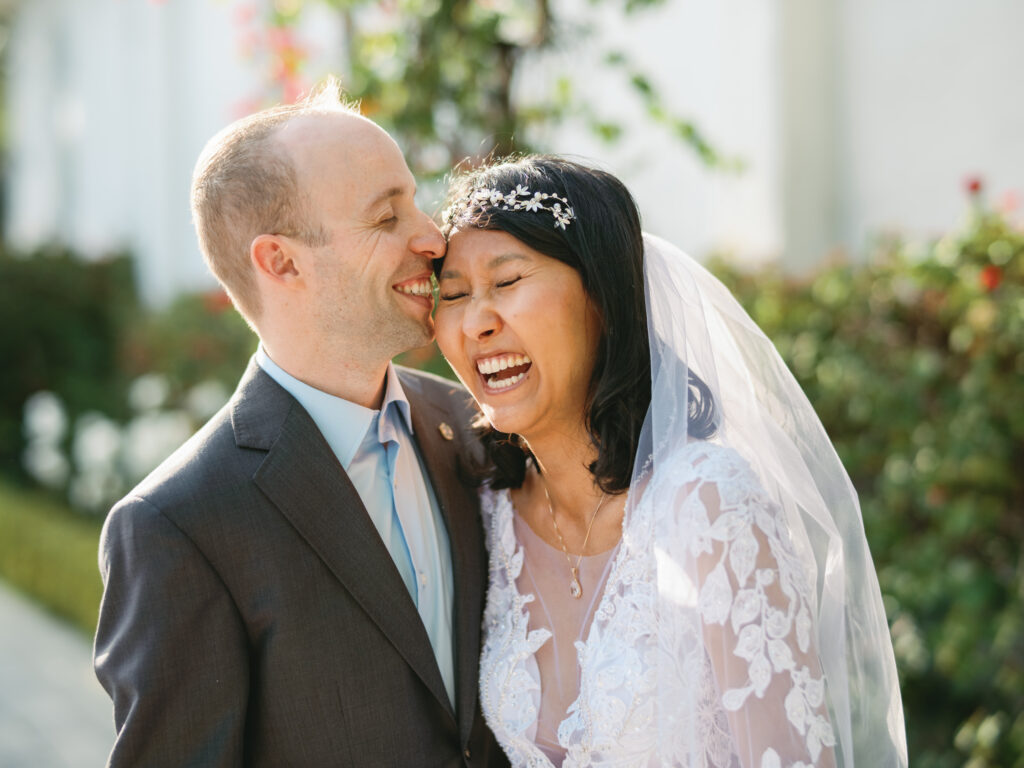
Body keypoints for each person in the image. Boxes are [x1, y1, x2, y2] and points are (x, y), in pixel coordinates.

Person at [433, 155, 908, 767]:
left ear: (602, 296)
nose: (477, 323)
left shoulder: (709, 502)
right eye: (453, 295)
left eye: (507, 282)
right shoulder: (488, 513)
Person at [93, 82, 506, 767]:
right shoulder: (178, 527)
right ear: (280, 260)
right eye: (385, 218)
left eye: (415, 201)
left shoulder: (473, 425)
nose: (433, 238)